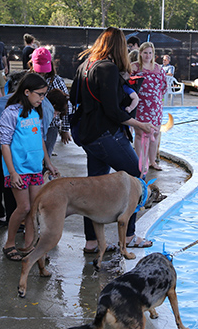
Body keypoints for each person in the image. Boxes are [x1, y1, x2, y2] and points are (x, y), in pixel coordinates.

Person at [71, 27, 155, 252]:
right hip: (106, 135)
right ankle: (128, 236)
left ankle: (92, 242)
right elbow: (113, 111)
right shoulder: (107, 69)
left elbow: (74, 98)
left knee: (94, 187)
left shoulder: (85, 66)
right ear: (119, 46)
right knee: (137, 178)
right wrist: (140, 124)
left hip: (88, 136)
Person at [0, 73, 59, 262]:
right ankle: (9, 243)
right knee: (23, 207)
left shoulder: (36, 112)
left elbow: (40, 138)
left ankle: (30, 244)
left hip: (34, 169)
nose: (42, 99)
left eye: (44, 95)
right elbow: (5, 144)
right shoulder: (10, 112)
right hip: (18, 169)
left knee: (34, 208)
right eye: (39, 94)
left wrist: (48, 163)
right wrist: (13, 172)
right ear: (26, 92)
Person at [130, 42, 167, 172]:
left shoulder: (158, 68)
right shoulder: (134, 67)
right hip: (140, 106)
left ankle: (152, 161)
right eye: (145, 52)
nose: (147, 55)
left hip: (155, 106)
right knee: (140, 134)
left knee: (155, 134)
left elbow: (163, 87)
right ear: (140, 53)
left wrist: (157, 100)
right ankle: (140, 162)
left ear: (153, 54)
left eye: (150, 53)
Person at [31, 47, 71, 155]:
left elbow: (66, 105)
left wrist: (65, 128)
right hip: (31, 125)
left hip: (51, 126)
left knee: (45, 155)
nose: (42, 74)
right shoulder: (27, 79)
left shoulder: (57, 81)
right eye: (39, 71)